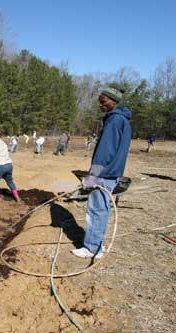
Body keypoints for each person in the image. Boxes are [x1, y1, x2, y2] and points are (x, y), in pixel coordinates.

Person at [72, 87, 132, 259]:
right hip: (112, 173)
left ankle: (91, 248)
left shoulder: (114, 121)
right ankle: (97, 244)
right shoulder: (123, 120)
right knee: (102, 211)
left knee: (96, 211)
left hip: (104, 175)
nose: (101, 104)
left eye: (103, 100)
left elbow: (103, 154)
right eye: (100, 100)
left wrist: (91, 178)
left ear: (114, 101)